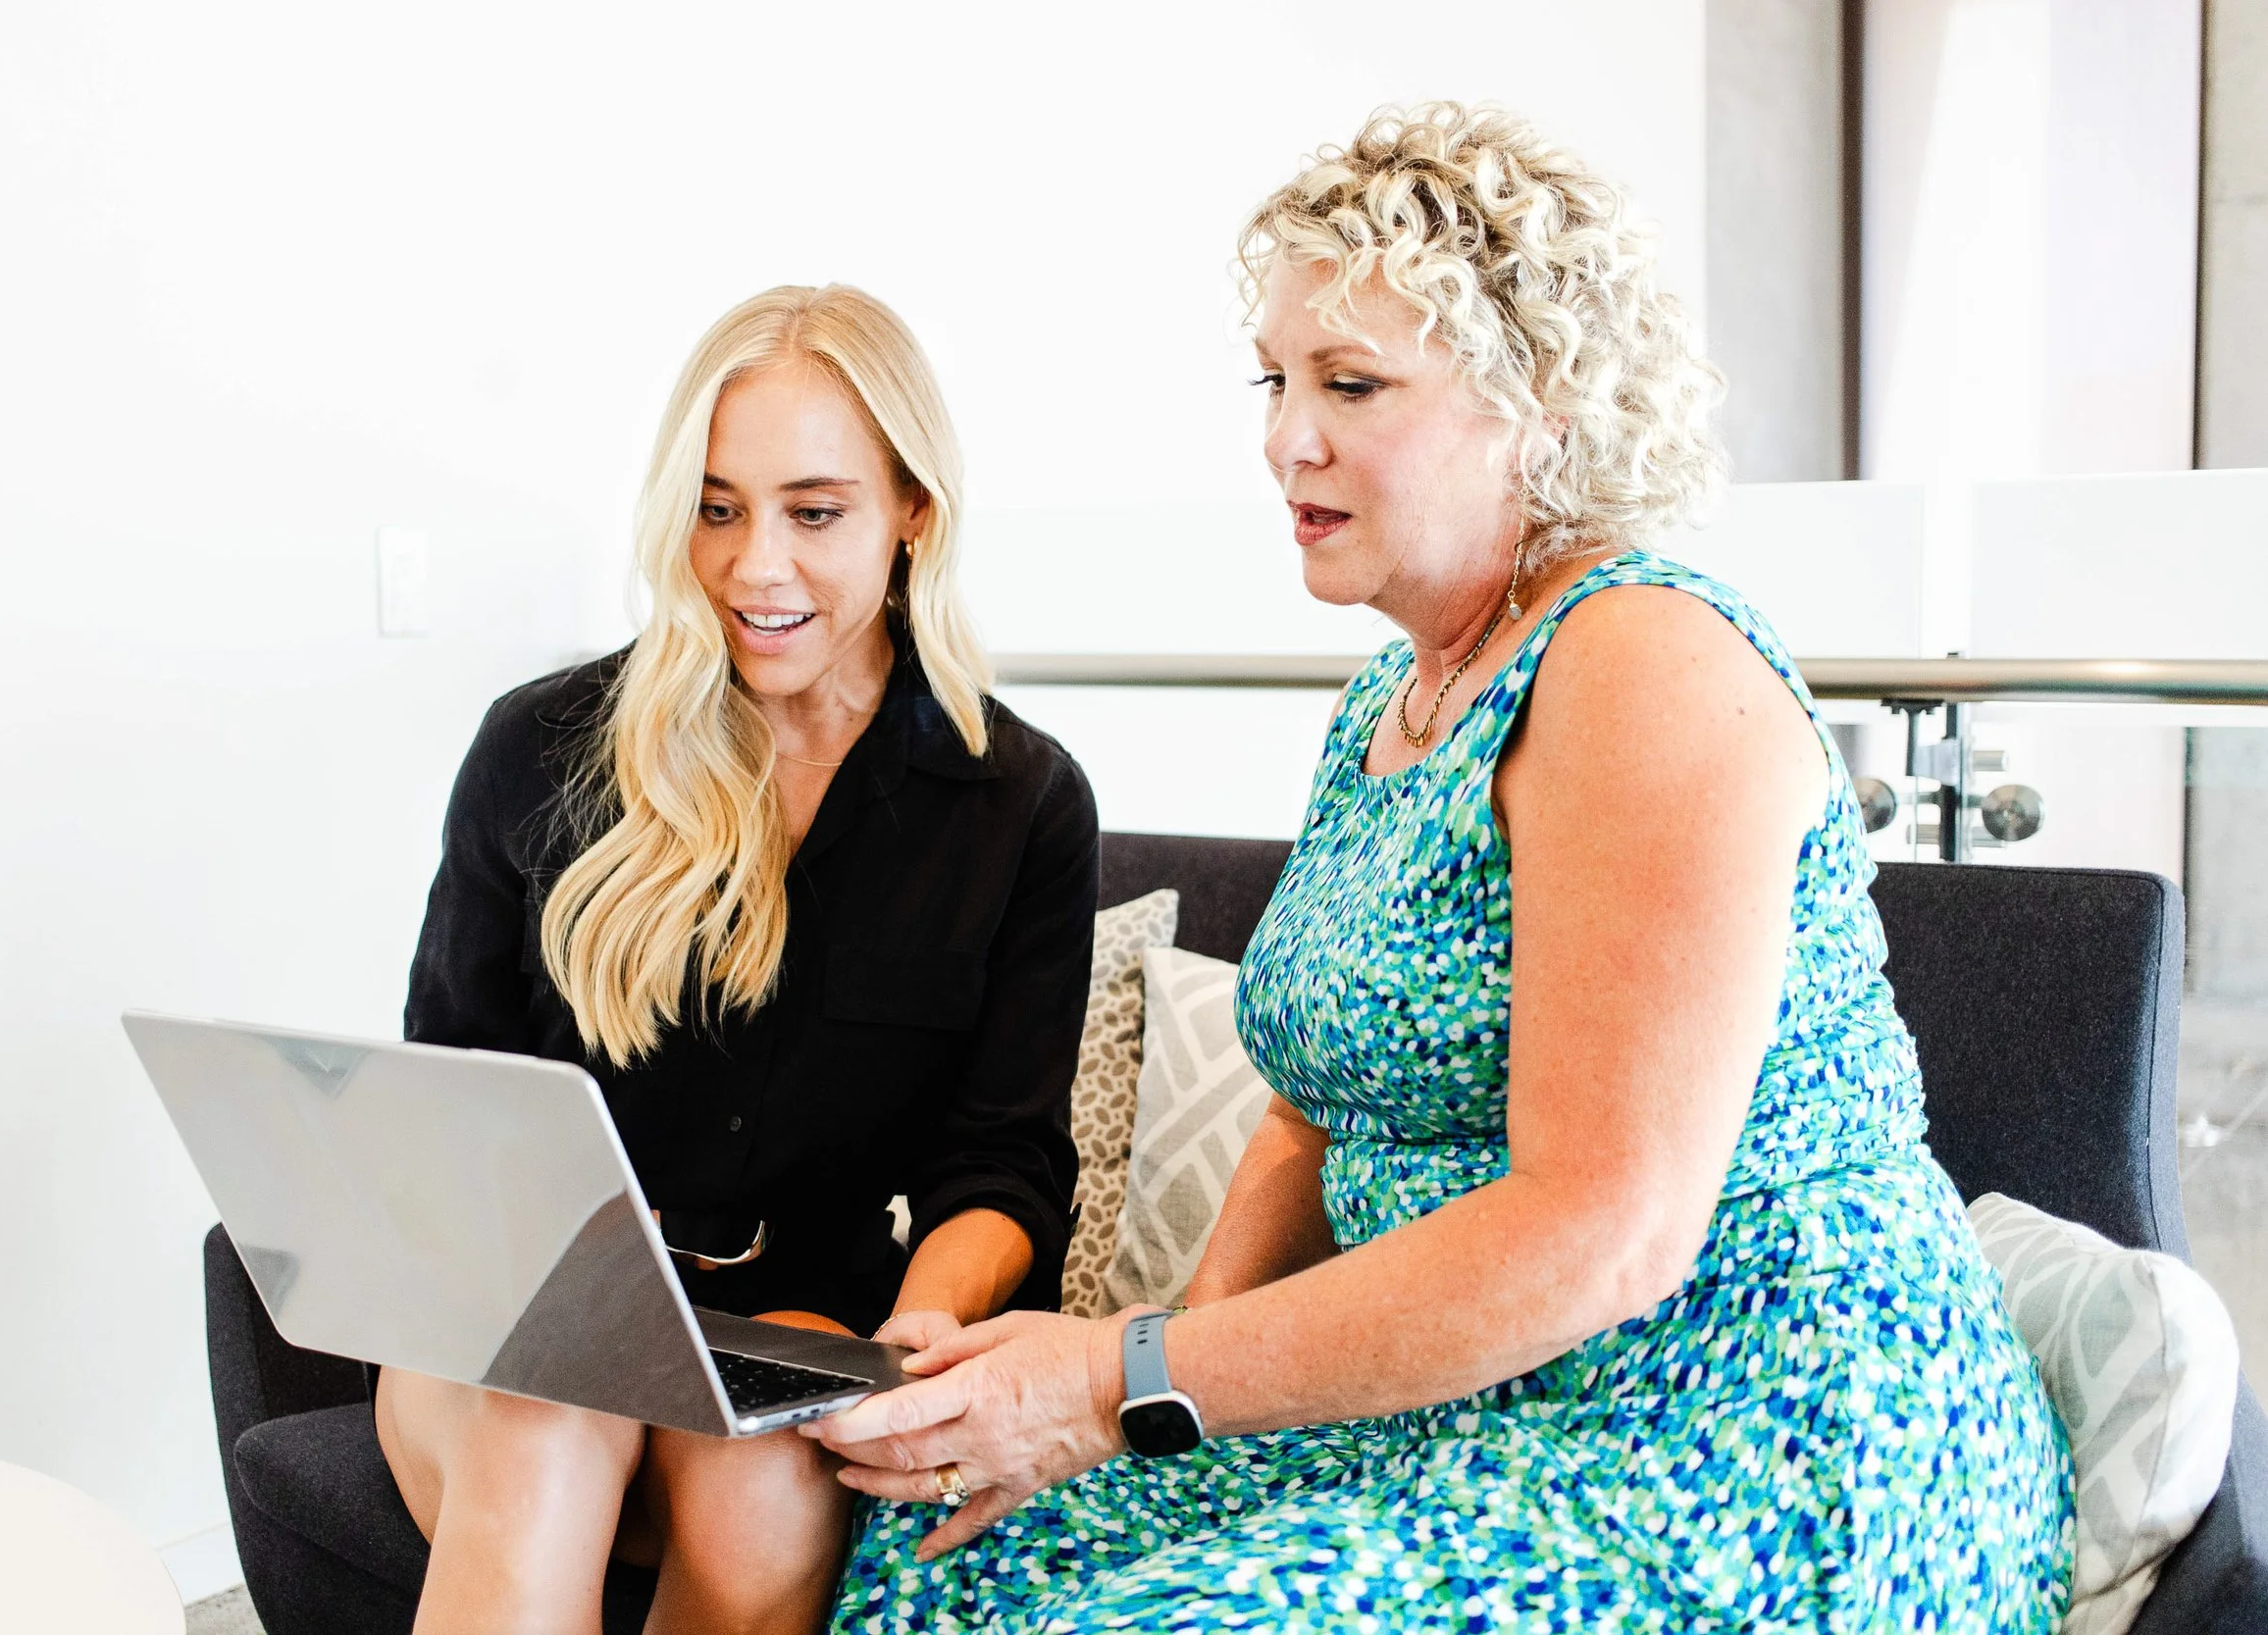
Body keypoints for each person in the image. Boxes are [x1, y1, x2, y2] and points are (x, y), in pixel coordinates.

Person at [811, 103, 2073, 1632]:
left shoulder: (1642, 662)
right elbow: (1314, 1101)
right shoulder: (1392, 699)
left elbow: (1604, 1230)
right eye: (1276, 380)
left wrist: (1118, 1377)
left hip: (1745, 1423)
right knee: (933, 1564)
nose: (1287, 436)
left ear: (1538, 403)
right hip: (1471, 1403)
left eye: (1351, 383)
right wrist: (1168, 1386)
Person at [376, 284, 1095, 1635]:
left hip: (793, 1336)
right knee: (550, 1418)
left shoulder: (1020, 803)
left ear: (912, 511)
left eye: (813, 514)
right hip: (532, 1314)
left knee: (763, 1495)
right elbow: (449, 1094)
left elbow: (1003, 1164)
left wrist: (918, 1333)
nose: (757, 567)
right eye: (717, 510)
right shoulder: (541, 749)